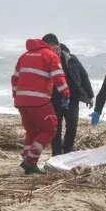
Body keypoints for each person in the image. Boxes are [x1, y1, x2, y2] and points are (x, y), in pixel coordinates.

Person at [11, 35, 70, 174]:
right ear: (53, 45)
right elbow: (58, 77)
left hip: (21, 101)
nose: (58, 51)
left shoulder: (24, 56)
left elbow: (15, 78)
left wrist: (16, 96)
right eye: (57, 47)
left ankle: (27, 158)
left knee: (32, 131)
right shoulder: (50, 55)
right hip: (39, 100)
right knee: (50, 129)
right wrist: (66, 94)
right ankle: (30, 160)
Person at [50, 41, 95, 156]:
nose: (56, 52)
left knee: (72, 126)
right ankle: (56, 154)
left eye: (58, 50)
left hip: (72, 98)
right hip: (54, 99)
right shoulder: (48, 60)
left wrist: (89, 95)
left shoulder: (72, 60)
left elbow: (84, 76)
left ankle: (67, 151)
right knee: (55, 128)